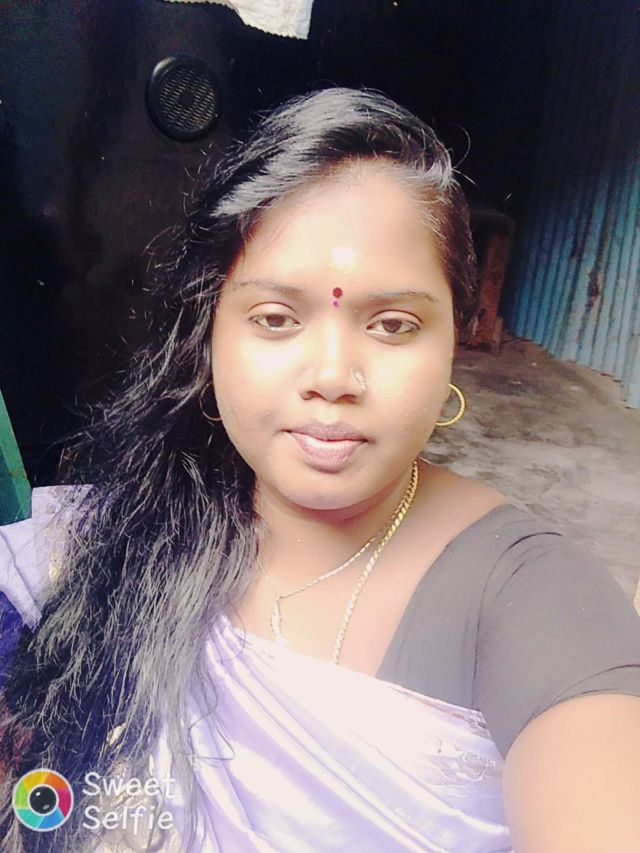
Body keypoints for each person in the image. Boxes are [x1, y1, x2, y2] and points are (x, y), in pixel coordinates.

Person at [1, 87, 640, 853]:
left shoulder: (537, 598)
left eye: (393, 323)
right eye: (275, 318)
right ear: (209, 333)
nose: (333, 375)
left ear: (456, 338)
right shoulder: (131, 527)